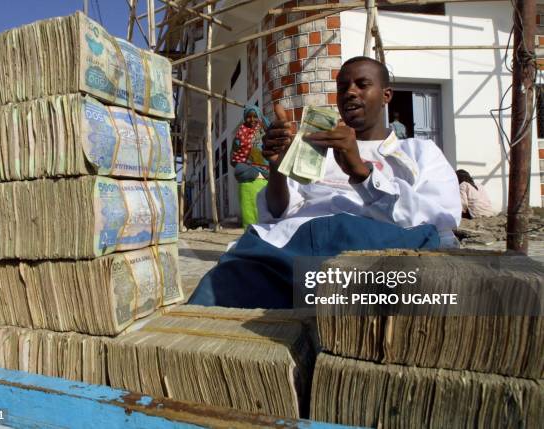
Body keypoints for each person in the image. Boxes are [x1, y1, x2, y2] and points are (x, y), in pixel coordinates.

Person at [188, 57, 461, 308]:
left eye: (362, 85)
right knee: (215, 292)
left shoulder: (419, 152)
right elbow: (279, 213)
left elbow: (442, 219)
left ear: (386, 95)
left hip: (372, 256)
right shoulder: (316, 149)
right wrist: (278, 169)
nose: (350, 92)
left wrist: (362, 174)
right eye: (343, 87)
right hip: (292, 253)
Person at [230, 106, 270, 228]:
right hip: (246, 172)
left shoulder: (264, 130)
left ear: (259, 116)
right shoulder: (240, 133)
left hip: (264, 172)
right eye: (248, 116)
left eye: (255, 116)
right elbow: (233, 156)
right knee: (248, 214)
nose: (251, 119)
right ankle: (250, 233)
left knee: (263, 210)